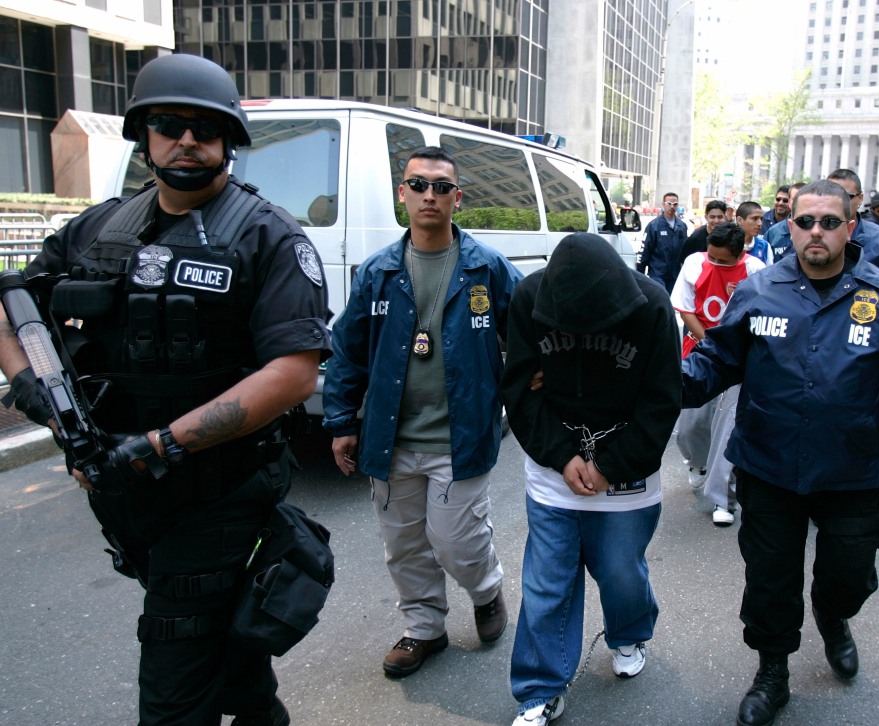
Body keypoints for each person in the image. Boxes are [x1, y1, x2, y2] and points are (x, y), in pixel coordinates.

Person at [0, 54, 331, 725]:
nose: (187, 140)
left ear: (229, 141)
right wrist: (31, 386)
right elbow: (13, 304)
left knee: (175, 687)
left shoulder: (267, 236)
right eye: (170, 125)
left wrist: (161, 445)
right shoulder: (97, 230)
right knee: (226, 655)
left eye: (205, 128)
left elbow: (296, 370)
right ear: (143, 135)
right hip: (124, 494)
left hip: (218, 493)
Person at [680, 180, 879, 726]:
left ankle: (835, 618)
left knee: (847, 578)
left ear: (849, 228)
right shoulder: (758, 291)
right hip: (768, 468)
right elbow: (715, 362)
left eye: (829, 222)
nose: (816, 231)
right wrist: (655, 381)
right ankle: (772, 671)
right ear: (790, 227)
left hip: (855, 474)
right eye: (806, 221)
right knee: (770, 580)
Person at [322, 146, 522, 677]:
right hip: (391, 439)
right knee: (404, 544)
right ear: (402, 194)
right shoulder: (377, 272)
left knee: (457, 540)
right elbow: (348, 349)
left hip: (461, 436)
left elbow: (527, 332)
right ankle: (423, 629)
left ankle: (485, 591)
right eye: (418, 185)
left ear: (458, 198)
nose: (428, 195)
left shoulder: (487, 267)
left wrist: (532, 384)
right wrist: (341, 423)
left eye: (440, 187)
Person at [500, 232, 681, 726]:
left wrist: (610, 465)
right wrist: (561, 457)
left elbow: (663, 400)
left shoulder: (652, 304)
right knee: (547, 582)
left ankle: (628, 633)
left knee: (621, 572)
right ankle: (540, 687)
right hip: (553, 465)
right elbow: (518, 388)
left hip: (625, 466)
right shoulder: (528, 297)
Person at [671, 222, 765, 525]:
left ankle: (724, 499)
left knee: (727, 430)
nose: (714, 263)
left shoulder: (756, 271)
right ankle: (697, 463)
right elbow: (685, 309)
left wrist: (729, 350)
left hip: (737, 363)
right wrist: (709, 343)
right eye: (712, 256)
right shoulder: (694, 263)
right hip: (698, 353)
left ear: (740, 255)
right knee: (691, 427)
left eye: (723, 260)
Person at [825, 170, 879, 292]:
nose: (838, 202)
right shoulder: (807, 234)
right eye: (830, 195)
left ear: (860, 198)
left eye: (847, 197)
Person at [637, 192, 688, 292]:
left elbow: (685, 251)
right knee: (660, 300)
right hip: (657, 274)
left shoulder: (682, 226)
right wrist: (640, 274)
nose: (672, 207)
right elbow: (644, 250)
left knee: (672, 304)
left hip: (675, 275)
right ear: (663, 204)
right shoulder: (654, 226)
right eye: (669, 204)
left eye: (675, 204)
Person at [679, 199, 728, 264]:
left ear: (725, 217)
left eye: (720, 217)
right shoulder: (695, 238)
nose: (716, 221)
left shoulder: (730, 236)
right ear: (706, 217)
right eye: (712, 217)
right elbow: (684, 262)